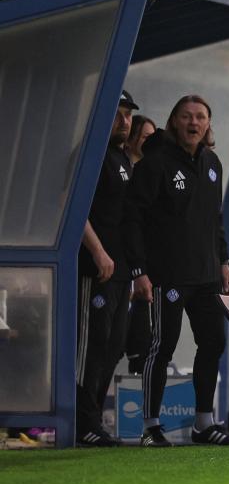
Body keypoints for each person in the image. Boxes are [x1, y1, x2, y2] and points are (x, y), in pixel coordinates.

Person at [124, 95, 229, 447]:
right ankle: (150, 426)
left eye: (200, 117)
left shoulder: (213, 163)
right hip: (167, 275)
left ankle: (204, 423)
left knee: (214, 342)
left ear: (207, 124)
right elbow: (133, 220)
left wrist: (224, 260)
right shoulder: (155, 164)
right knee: (163, 347)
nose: (194, 122)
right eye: (186, 116)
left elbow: (215, 220)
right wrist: (140, 271)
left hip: (206, 275)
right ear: (174, 122)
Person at [75, 90, 140, 447]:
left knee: (113, 347)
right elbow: (75, 210)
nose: (124, 121)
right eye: (118, 114)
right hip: (94, 269)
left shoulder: (122, 159)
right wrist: (98, 252)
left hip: (121, 272)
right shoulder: (89, 155)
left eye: (128, 115)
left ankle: (95, 421)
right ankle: (82, 422)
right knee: (90, 347)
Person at [122, 115, 157, 375]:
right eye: (145, 136)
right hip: (122, 267)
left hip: (145, 269)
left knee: (143, 341)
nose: (150, 142)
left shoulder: (153, 174)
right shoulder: (123, 171)